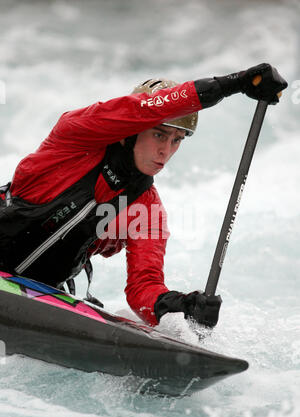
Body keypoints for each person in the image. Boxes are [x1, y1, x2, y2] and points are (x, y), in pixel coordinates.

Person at [0, 63, 287, 328]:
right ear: (132, 129)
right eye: (159, 135)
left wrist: (182, 306)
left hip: (37, 291)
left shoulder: (146, 209)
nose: (167, 150)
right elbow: (142, 110)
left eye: (177, 140)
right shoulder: (75, 138)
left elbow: (143, 289)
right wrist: (230, 84)